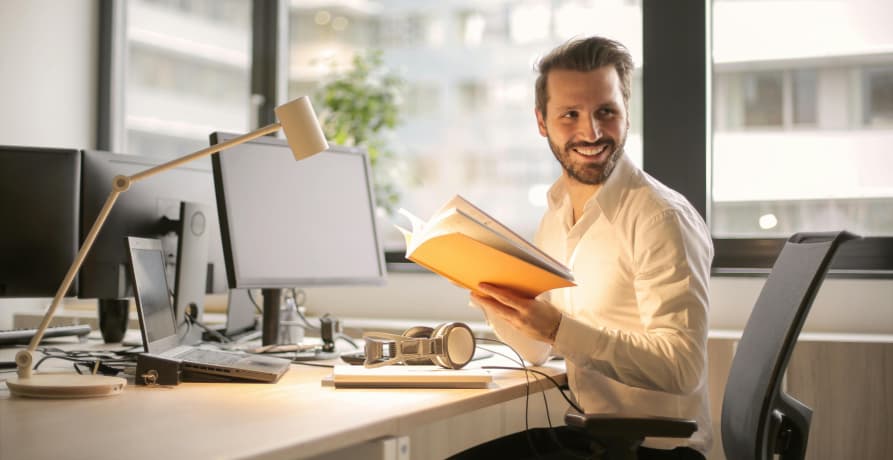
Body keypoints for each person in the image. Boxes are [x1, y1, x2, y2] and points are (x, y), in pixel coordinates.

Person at [454, 36, 713, 460]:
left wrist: (558, 328)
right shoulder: (556, 213)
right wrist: (496, 299)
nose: (590, 132)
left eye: (605, 112)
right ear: (542, 122)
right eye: (570, 114)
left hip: (659, 450)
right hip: (598, 439)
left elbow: (682, 367)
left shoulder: (660, 218)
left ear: (626, 114)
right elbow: (536, 350)